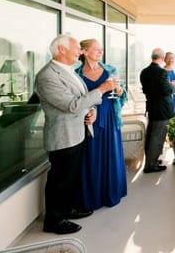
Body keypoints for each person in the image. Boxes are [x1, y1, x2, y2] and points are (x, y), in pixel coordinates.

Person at [35, 34, 117, 234]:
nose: (79, 52)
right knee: (59, 180)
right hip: (63, 136)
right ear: (61, 49)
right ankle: (54, 221)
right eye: (76, 48)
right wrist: (101, 90)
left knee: (69, 177)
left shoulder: (69, 71)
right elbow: (71, 105)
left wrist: (92, 112)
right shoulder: (47, 76)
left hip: (77, 132)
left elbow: (80, 100)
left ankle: (67, 209)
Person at [76, 39, 127, 210]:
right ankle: (91, 197)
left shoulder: (110, 70)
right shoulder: (76, 73)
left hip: (110, 117)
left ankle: (110, 192)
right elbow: (75, 101)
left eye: (101, 49)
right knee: (90, 157)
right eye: (96, 49)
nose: (100, 52)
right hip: (87, 119)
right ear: (84, 51)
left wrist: (120, 91)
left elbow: (122, 94)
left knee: (110, 154)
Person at [139, 48, 175, 173]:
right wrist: (173, 86)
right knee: (157, 137)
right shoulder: (162, 73)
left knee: (151, 135)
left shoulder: (144, 72)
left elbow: (145, 90)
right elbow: (167, 91)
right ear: (162, 57)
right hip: (162, 109)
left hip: (152, 107)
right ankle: (151, 165)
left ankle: (151, 160)